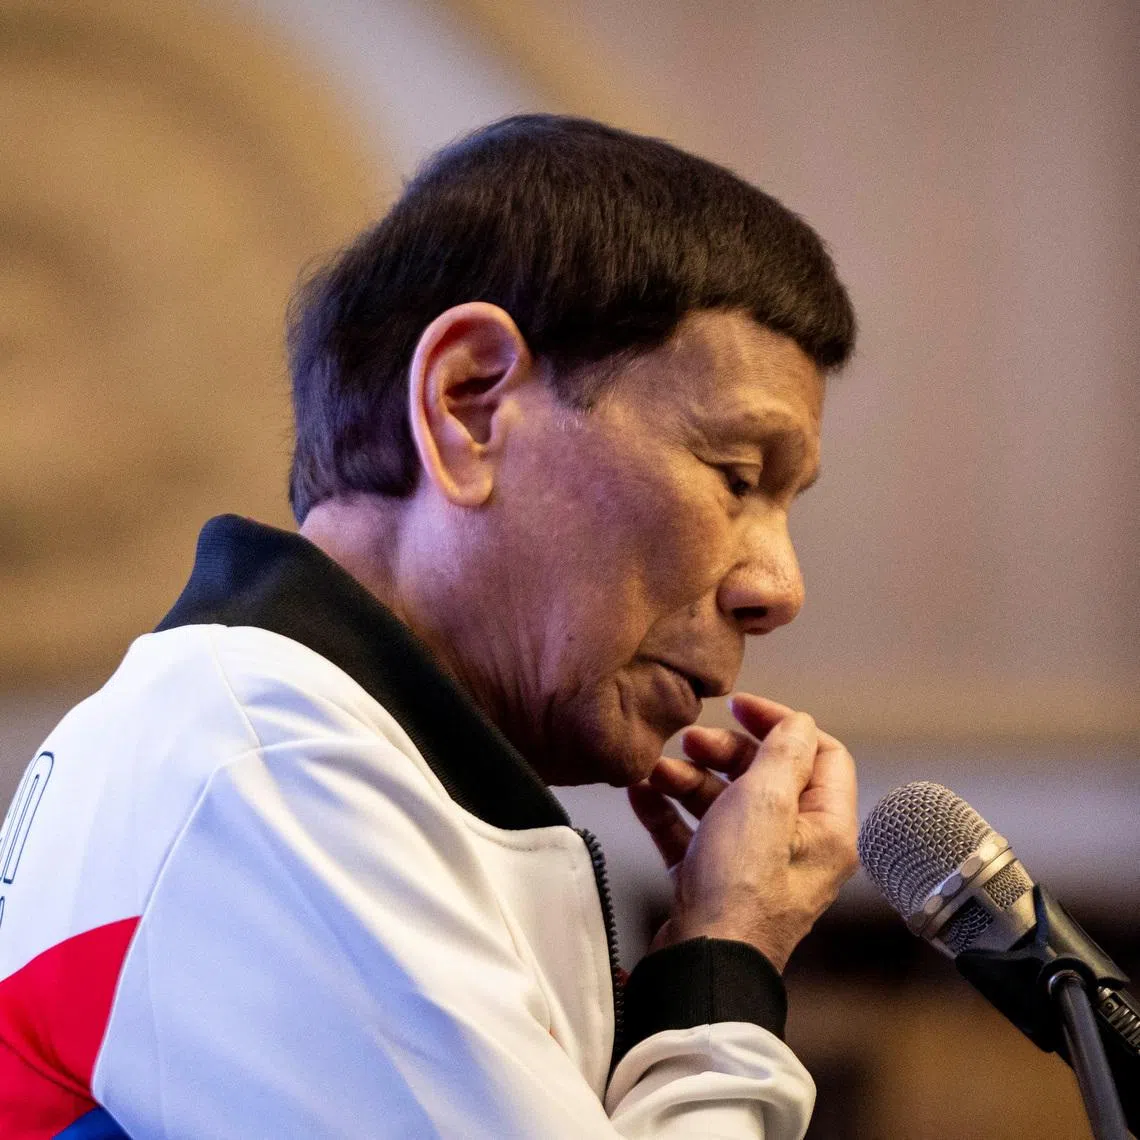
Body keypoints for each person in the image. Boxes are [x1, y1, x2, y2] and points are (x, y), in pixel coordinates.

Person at [0, 114, 859, 1138]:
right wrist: (726, 962)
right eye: (736, 476)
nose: (779, 585)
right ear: (469, 404)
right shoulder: (267, 765)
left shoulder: (288, 750)